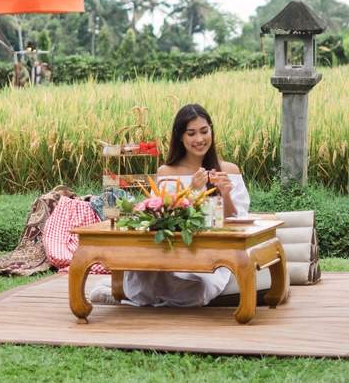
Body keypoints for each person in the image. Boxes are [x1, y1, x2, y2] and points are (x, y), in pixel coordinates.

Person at [91, 103, 250, 307]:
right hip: (172, 251)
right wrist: (192, 190)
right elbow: (167, 219)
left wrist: (224, 195)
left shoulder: (229, 170)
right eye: (191, 133)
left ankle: (126, 298)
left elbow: (234, 223)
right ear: (180, 137)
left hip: (210, 254)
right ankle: (124, 293)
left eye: (204, 131)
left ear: (211, 130)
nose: (199, 139)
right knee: (145, 283)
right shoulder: (167, 172)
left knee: (198, 289)